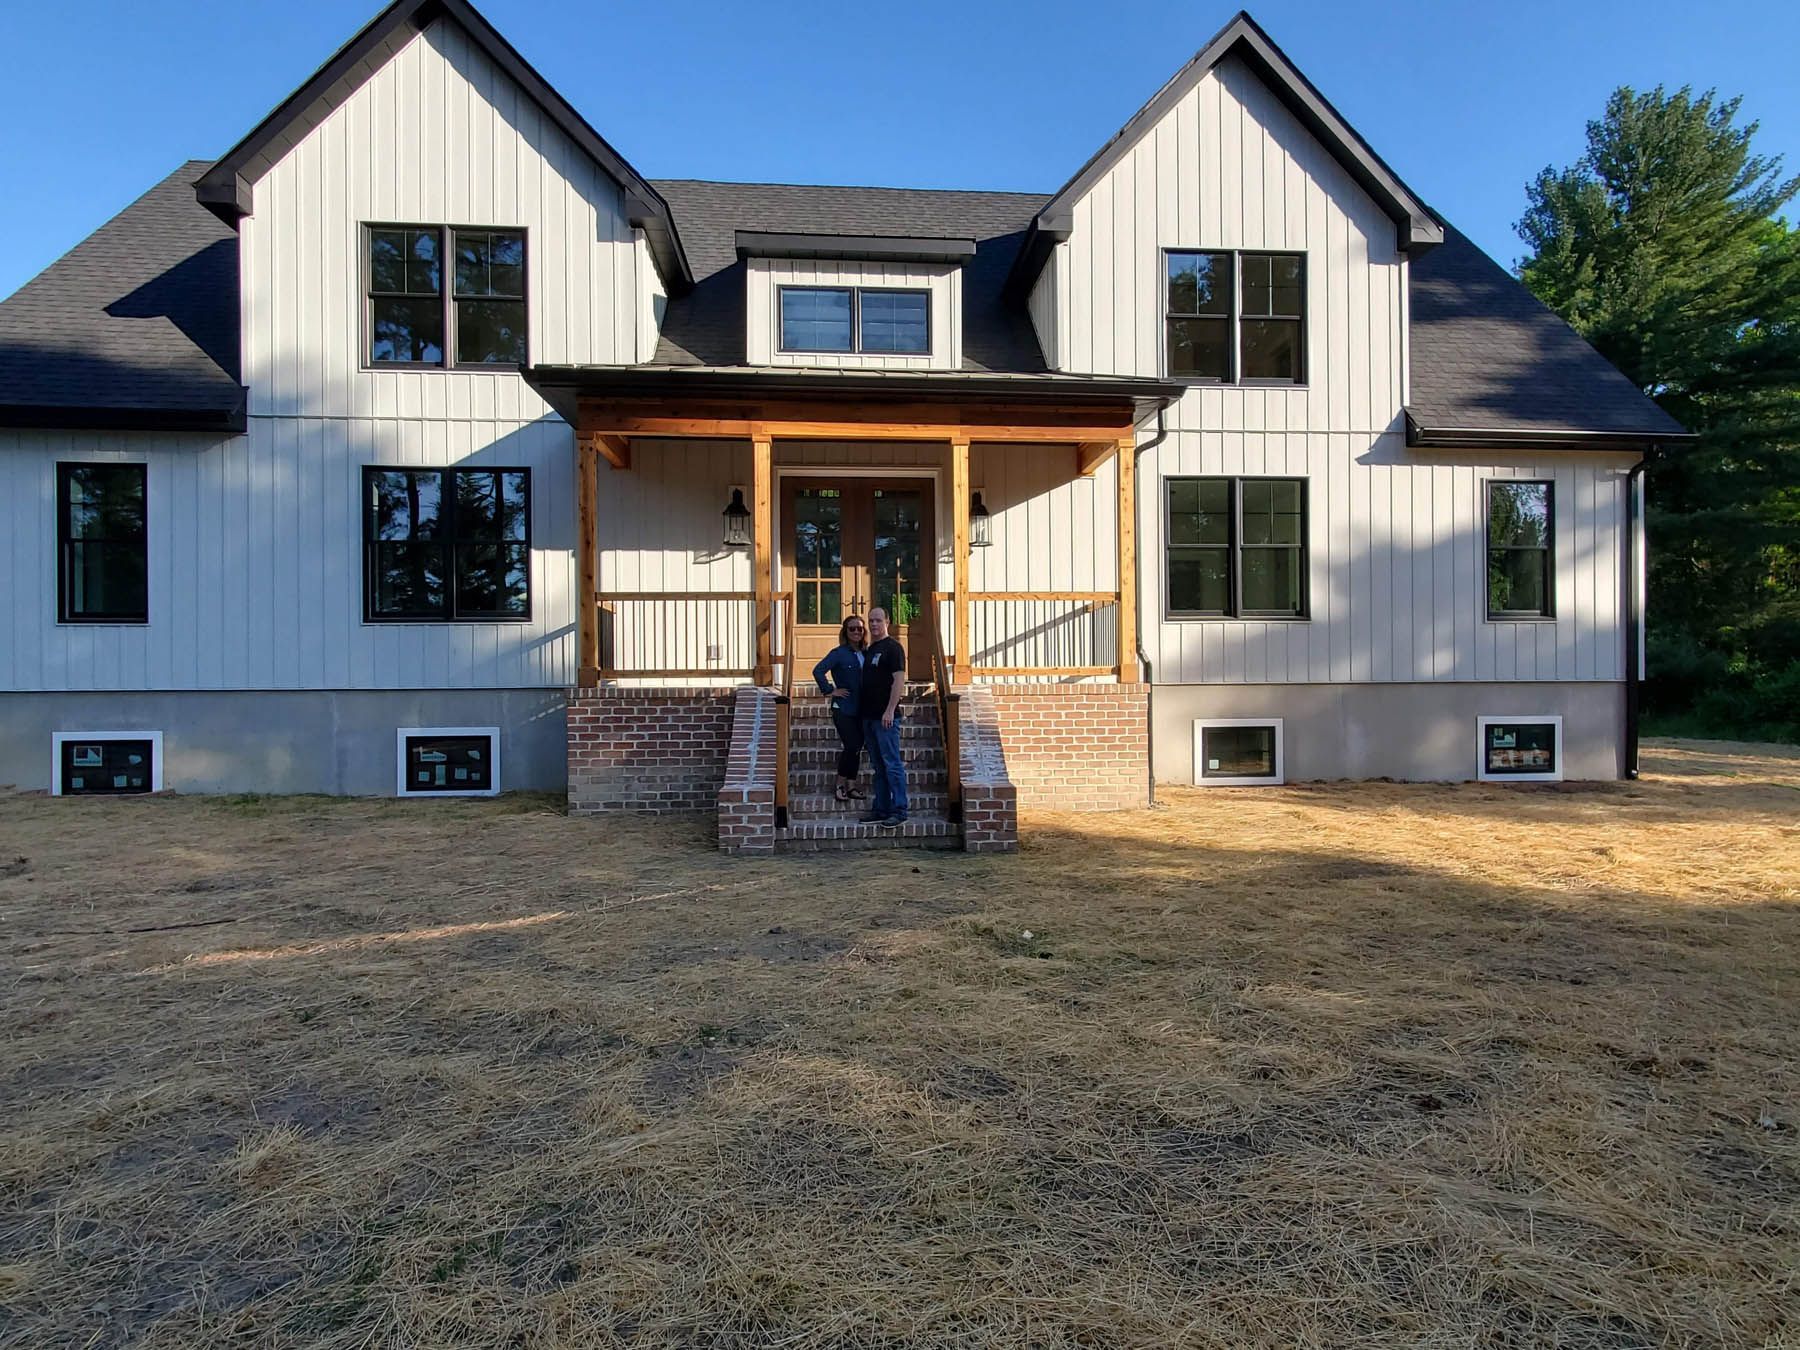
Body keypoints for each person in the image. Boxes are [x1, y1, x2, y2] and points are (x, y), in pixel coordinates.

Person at [858, 608, 908, 828]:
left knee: (892, 765)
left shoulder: (893, 648)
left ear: (887, 621)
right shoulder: (870, 650)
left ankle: (899, 810)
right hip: (868, 717)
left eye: (878, 620)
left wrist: (890, 710)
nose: (874, 624)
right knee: (878, 767)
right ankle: (881, 809)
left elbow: (898, 681)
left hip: (886, 718)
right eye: (871, 621)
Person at [811, 614, 868, 802]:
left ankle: (852, 786)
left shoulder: (867, 652)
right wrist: (830, 690)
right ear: (845, 631)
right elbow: (818, 670)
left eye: (860, 628)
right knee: (851, 745)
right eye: (852, 628)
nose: (856, 632)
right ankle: (840, 785)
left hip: (863, 708)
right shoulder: (838, 653)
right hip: (843, 708)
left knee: (857, 747)